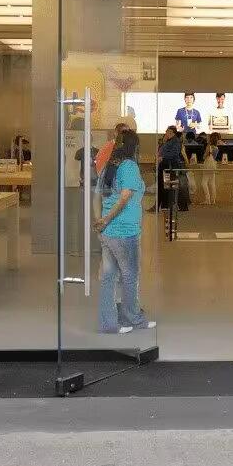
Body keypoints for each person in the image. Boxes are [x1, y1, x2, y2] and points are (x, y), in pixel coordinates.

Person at [93, 130, 153, 335]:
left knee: (109, 277)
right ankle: (134, 318)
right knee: (130, 276)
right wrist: (107, 219)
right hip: (125, 231)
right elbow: (126, 196)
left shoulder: (110, 165)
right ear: (134, 147)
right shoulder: (129, 166)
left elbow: (97, 195)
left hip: (109, 232)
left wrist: (100, 221)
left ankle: (108, 324)